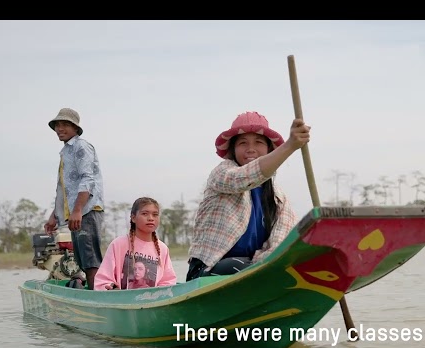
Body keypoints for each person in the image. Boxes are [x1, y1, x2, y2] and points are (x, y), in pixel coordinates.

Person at [186, 111, 310, 281]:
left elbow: (277, 244)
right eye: (243, 143)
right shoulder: (222, 174)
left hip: (255, 270)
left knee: (293, 269)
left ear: (268, 149)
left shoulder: (278, 197)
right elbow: (245, 177)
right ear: (233, 150)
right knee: (241, 267)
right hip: (208, 270)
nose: (250, 149)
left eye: (258, 142)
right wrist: (289, 146)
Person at [44, 108, 104, 290]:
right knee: (81, 259)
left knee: (90, 257)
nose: (60, 129)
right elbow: (65, 188)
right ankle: (90, 294)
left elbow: (87, 179)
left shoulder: (81, 147)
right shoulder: (65, 152)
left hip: (86, 210)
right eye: (57, 125)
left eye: (65, 125)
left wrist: (78, 210)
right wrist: (55, 214)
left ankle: (97, 298)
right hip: (75, 212)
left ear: (75, 128)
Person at [94, 197, 177, 291]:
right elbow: (103, 280)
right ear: (133, 218)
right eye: (144, 214)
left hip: (152, 302)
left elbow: (168, 282)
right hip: (121, 301)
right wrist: (110, 288)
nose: (150, 218)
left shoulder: (163, 248)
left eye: (155, 215)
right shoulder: (118, 244)